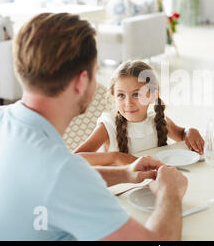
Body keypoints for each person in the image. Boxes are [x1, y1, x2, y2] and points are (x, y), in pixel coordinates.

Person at [0, 13, 187, 241]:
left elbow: (55, 183)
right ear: (82, 81)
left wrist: (124, 174)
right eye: (96, 70)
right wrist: (169, 193)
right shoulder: (61, 171)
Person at [74, 60, 205, 166]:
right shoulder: (108, 127)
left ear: (153, 95)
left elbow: (182, 135)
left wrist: (190, 131)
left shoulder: (159, 120)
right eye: (121, 95)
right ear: (113, 96)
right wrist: (116, 157)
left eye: (136, 94)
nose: (128, 103)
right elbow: (74, 159)